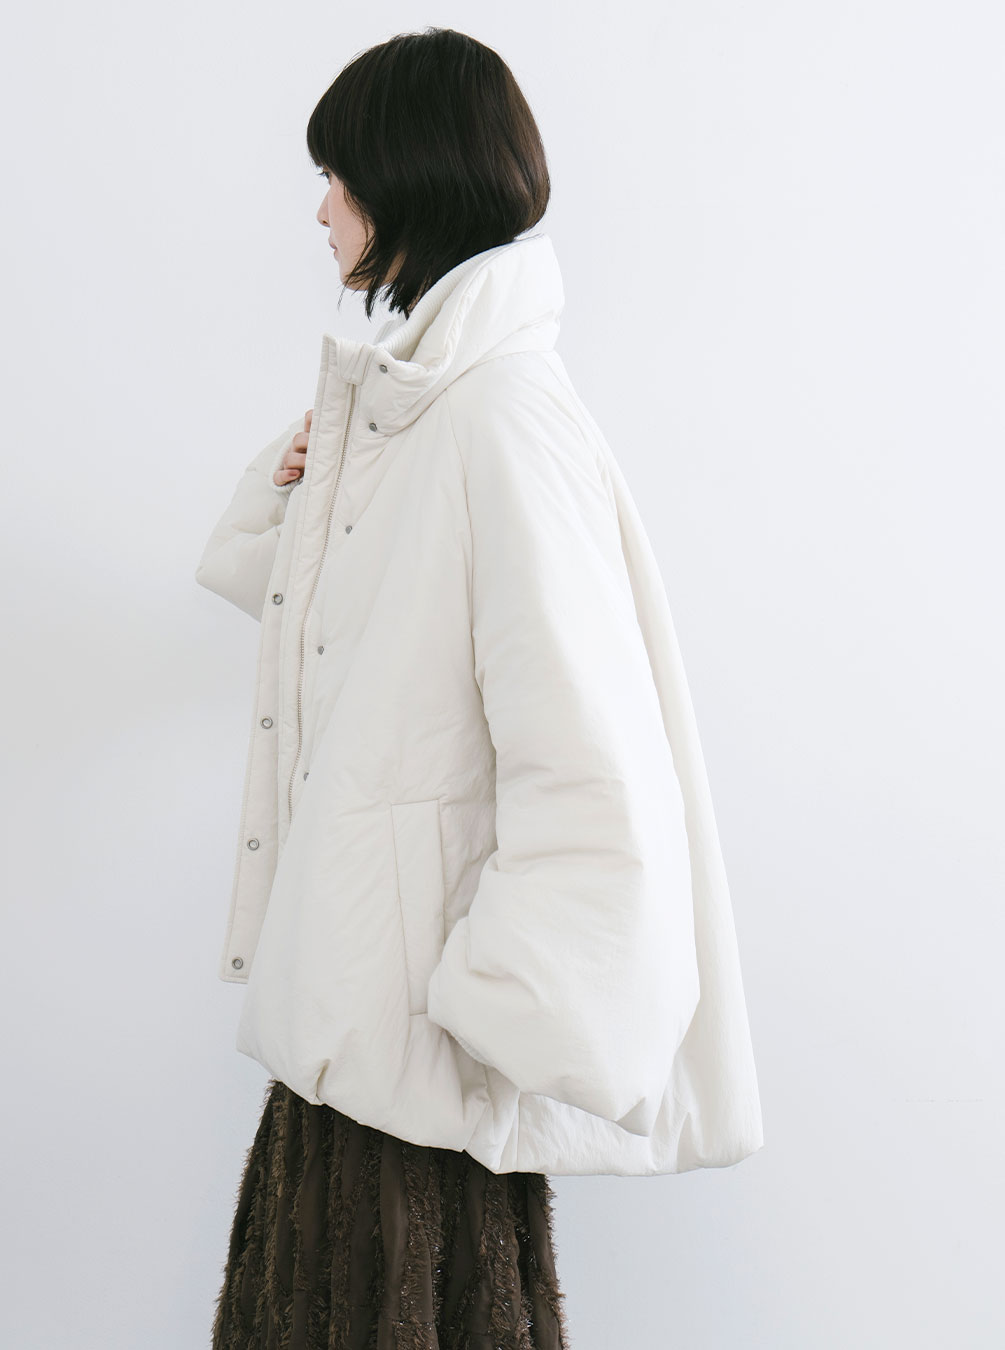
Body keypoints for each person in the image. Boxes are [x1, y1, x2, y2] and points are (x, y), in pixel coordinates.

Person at [196, 25, 763, 1350]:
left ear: (408, 179)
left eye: (339, 176)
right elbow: (296, 618)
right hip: (352, 1045)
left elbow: (593, 762)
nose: (321, 210)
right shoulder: (421, 412)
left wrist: (489, 1008)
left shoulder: (497, 418)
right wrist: (301, 474)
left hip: (417, 1070)